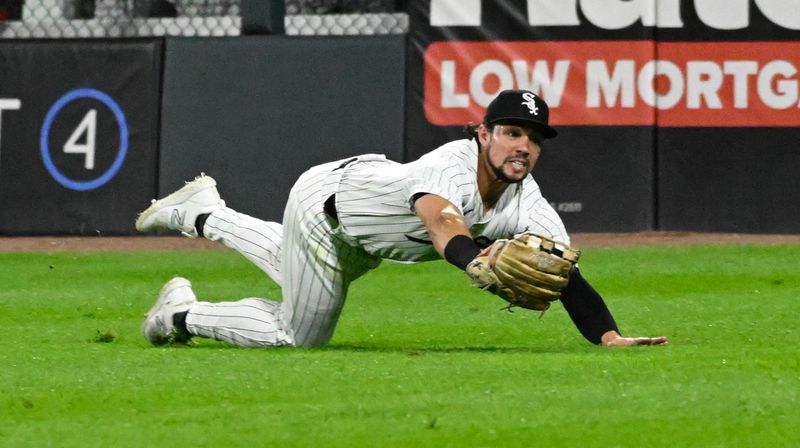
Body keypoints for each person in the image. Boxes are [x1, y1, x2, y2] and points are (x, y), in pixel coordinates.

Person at [137, 90, 667, 348]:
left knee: (290, 260)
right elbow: (441, 223)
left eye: (533, 138)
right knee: (298, 333)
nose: (523, 146)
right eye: (511, 132)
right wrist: (473, 258)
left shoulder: (528, 201)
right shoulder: (449, 166)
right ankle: (178, 316)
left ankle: (204, 211)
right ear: (482, 133)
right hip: (327, 207)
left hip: (362, 233)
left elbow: (563, 272)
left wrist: (607, 336)